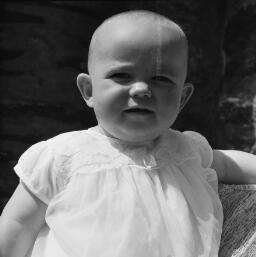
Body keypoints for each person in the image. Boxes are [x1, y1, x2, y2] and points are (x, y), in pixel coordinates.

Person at [0, 10, 256, 257]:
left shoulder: (186, 150)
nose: (141, 89)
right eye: (121, 75)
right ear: (89, 90)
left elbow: (224, 162)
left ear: (182, 97)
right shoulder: (63, 156)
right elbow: (17, 224)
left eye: (161, 79)